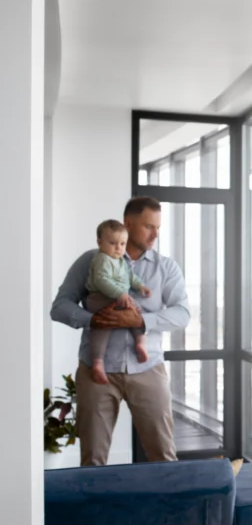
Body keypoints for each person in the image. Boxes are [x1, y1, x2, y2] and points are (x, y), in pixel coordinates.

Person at [51, 196, 190, 466]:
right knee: (92, 460)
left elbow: (182, 314)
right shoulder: (91, 261)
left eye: (158, 228)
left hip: (148, 368)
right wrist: (93, 320)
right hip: (96, 372)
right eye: (149, 227)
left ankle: (166, 510)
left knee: (164, 457)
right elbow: (60, 307)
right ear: (128, 223)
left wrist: (139, 321)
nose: (155, 234)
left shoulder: (166, 268)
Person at [84, 219, 152, 384]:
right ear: (100, 242)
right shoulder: (102, 259)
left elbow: (130, 276)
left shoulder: (121, 261)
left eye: (122, 244)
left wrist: (140, 286)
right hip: (99, 297)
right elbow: (102, 280)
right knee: (105, 322)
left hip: (116, 298)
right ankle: (98, 361)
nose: (118, 248)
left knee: (134, 313)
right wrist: (120, 294)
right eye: (113, 243)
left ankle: (140, 342)